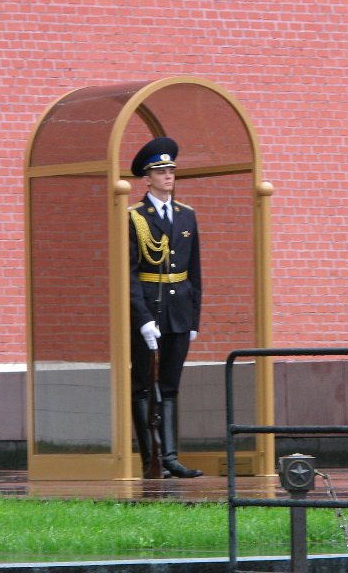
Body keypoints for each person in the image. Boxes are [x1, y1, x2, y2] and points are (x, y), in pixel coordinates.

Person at [128, 136, 203, 479]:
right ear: (147, 178)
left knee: (170, 386)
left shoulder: (186, 216)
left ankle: (170, 457)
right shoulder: (134, 218)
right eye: (161, 171)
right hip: (150, 311)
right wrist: (142, 319)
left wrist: (193, 318)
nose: (168, 175)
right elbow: (129, 274)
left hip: (178, 312)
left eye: (171, 169)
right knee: (144, 386)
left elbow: (196, 271)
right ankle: (151, 459)